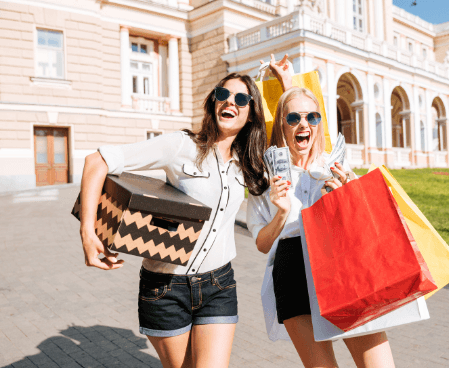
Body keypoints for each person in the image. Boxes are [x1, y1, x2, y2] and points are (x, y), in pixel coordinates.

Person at [79, 72, 268, 368]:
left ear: (251, 114)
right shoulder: (182, 146)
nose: (230, 102)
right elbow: (97, 161)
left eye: (241, 99)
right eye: (223, 94)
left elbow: (297, 134)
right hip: (166, 287)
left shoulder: (248, 164)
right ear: (213, 102)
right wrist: (88, 232)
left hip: (219, 285)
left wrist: (284, 78)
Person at [247, 60, 396, 368]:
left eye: (312, 117)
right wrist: (280, 213)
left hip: (342, 262)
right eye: (293, 118)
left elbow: (367, 223)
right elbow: (262, 245)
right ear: (281, 124)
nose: (304, 124)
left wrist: (350, 198)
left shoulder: (335, 166)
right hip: (291, 268)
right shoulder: (267, 177)